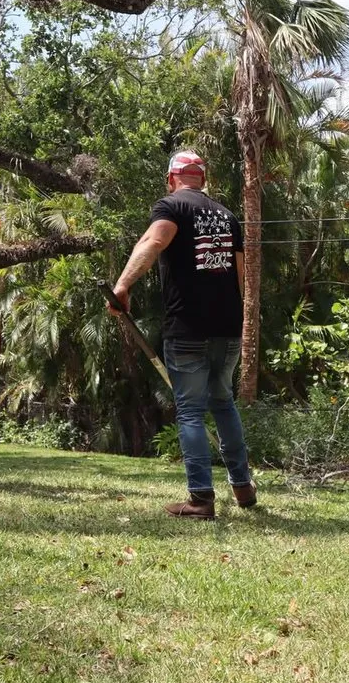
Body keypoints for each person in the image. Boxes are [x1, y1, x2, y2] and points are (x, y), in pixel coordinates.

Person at [110, 150, 256, 519]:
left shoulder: (171, 207)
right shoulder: (227, 216)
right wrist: (237, 320)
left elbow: (153, 243)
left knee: (190, 411)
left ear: (171, 178)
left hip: (189, 328)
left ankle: (201, 499)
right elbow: (239, 276)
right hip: (227, 329)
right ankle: (242, 486)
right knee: (223, 403)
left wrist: (123, 287)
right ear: (201, 179)